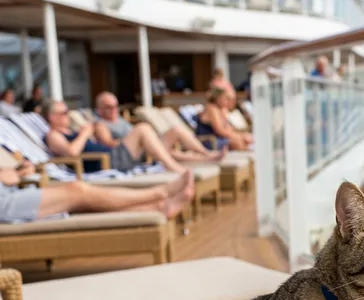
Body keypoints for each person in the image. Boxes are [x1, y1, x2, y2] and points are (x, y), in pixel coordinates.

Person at [0, 163, 194, 224]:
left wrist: (15, 171)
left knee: (83, 202)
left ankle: (157, 207)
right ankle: (160, 193)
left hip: (8, 193)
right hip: (4, 203)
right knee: (77, 191)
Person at [44, 99, 193, 175]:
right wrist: (85, 133)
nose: (68, 115)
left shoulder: (70, 132)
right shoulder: (53, 135)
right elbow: (71, 152)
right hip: (108, 162)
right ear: (52, 117)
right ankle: (173, 167)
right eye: (64, 113)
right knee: (142, 128)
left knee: (155, 133)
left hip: (112, 157)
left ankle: (195, 159)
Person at [93, 92, 224, 163]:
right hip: (132, 153)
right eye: (108, 107)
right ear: (99, 109)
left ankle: (206, 155)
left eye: (115, 106)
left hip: (144, 148)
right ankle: (207, 157)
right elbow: (108, 144)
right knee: (166, 150)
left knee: (176, 130)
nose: (113, 109)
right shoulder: (101, 124)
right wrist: (136, 140)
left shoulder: (121, 120)